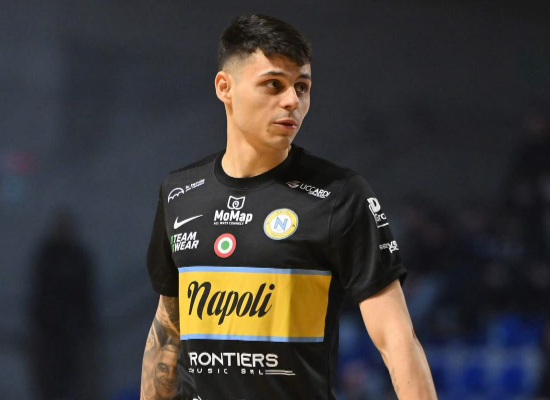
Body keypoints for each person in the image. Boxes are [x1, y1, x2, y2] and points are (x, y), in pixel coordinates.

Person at [141, 14, 438, 400]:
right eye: (274, 84)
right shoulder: (179, 193)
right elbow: (167, 332)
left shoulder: (341, 195)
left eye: (302, 86)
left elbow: (397, 340)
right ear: (225, 87)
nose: (292, 101)